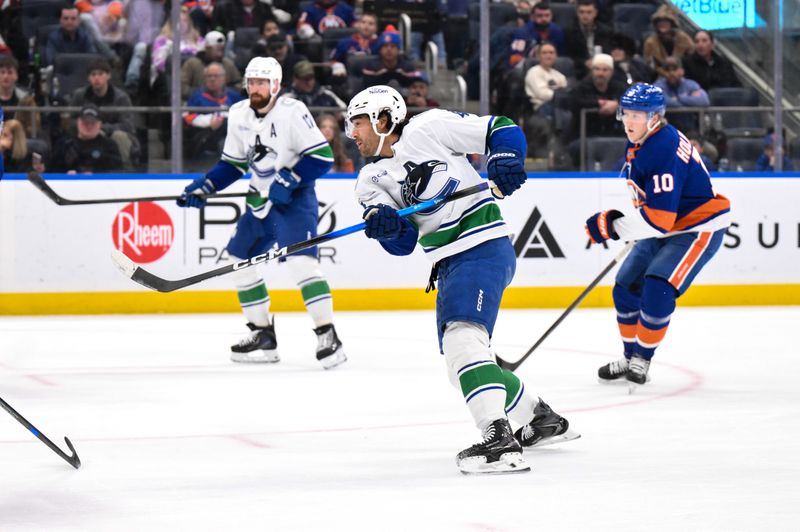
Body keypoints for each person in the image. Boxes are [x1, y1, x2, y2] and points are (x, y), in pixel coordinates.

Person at [345, 85, 576, 474]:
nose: (352, 133)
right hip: (448, 264)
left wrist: (504, 158)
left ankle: (498, 439)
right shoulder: (369, 181)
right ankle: (541, 418)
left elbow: (500, 128)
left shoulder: (429, 128)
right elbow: (403, 245)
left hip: (482, 245)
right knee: (460, 365)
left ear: (383, 119)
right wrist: (385, 227)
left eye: (358, 122)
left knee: (462, 339)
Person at [175, 57, 346, 369]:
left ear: (276, 85)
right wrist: (205, 186)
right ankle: (263, 334)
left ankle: (328, 335)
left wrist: (290, 178)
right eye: (252, 82)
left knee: (300, 263)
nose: (255, 88)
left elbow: (321, 156)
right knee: (238, 261)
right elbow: (234, 164)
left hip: (294, 200)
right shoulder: (238, 113)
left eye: (262, 82)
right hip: (260, 201)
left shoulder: (293, 112)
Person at [585, 83, 730, 388]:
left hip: (698, 228)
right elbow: (654, 209)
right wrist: (623, 224)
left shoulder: (662, 147)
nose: (629, 121)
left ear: (655, 117)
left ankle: (642, 358)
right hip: (666, 225)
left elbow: (661, 220)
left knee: (657, 286)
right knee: (625, 286)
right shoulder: (641, 141)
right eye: (626, 113)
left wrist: (614, 227)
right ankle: (628, 357)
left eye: (638, 114)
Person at [69, 57, 138, 170]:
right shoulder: (79, 96)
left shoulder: (121, 98)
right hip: (86, 134)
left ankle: (125, 172)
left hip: (112, 137)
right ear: (88, 78)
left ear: (108, 76)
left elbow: (128, 125)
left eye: (100, 74)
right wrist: (87, 129)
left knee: (119, 136)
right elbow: (71, 121)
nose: (97, 78)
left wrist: (101, 129)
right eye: (93, 74)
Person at [183, 62, 244, 166]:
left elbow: (245, 114)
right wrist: (209, 121)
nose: (212, 79)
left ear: (224, 78)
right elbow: (187, 116)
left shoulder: (233, 95)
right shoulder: (197, 96)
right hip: (205, 137)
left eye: (216, 76)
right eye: (209, 76)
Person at [52, 104, 123, 173]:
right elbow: (51, 171)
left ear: (100, 124)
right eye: (85, 122)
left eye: (93, 123)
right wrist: (65, 174)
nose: (89, 126)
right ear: (78, 122)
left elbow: (118, 172)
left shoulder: (109, 146)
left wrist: (95, 174)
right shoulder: (65, 145)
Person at [654, 56, 709, 133]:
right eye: (667, 70)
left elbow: (704, 101)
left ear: (682, 71)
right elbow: (660, 101)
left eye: (675, 69)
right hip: (666, 132)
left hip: (690, 132)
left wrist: (679, 98)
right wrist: (689, 101)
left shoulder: (690, 84)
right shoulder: (658, 85)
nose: (671, 73)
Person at [642, 5, 693, 79]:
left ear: (672, 23)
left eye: (665, 21)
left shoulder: (684, 39)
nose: (662, 24)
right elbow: (648, 65)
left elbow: (692, 59)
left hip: (683, 76)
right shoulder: (650, 43)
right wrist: (666, 73)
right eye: (659, 21)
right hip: (659, 78)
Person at [509, 1, 566, 67]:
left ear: (551, 16)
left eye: (547, 15)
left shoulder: (557, 31)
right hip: (529, 68)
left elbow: (562, 56)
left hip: (552, 67)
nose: (544, 19)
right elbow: (515, 59)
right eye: (539, 16)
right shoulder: (522, 32)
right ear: (532, 17)